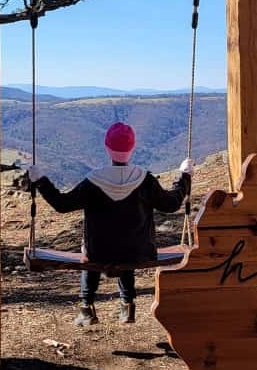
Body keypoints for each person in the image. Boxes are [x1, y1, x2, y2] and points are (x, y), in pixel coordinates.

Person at [26, 122, 193, 326]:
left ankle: (86, 308)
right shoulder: (145, 180)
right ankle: (128, 305)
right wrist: (184, 177)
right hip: (139, 252)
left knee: (94, 249)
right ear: (132, 149)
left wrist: (41, 180)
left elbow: (62, 204)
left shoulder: (94, 181)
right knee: (127, 242)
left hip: (99, 252)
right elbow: (172, 203)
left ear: (107, 148)